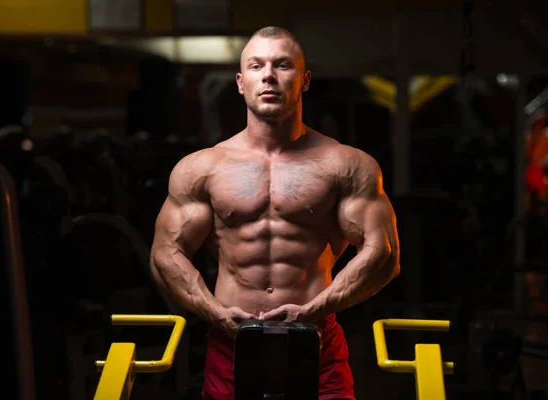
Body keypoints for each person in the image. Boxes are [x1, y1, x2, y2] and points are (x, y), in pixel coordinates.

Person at [150, 26, 401, 400]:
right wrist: (215, 313)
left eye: (282, 65)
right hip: (230, 343)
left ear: (305, 80)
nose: (268, 75)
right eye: (256, 66)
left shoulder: (346, 165)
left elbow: (384, 254)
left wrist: (316, 309)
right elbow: (164, 255)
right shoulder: (201, 169)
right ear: (240, 82)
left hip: (316, 341)